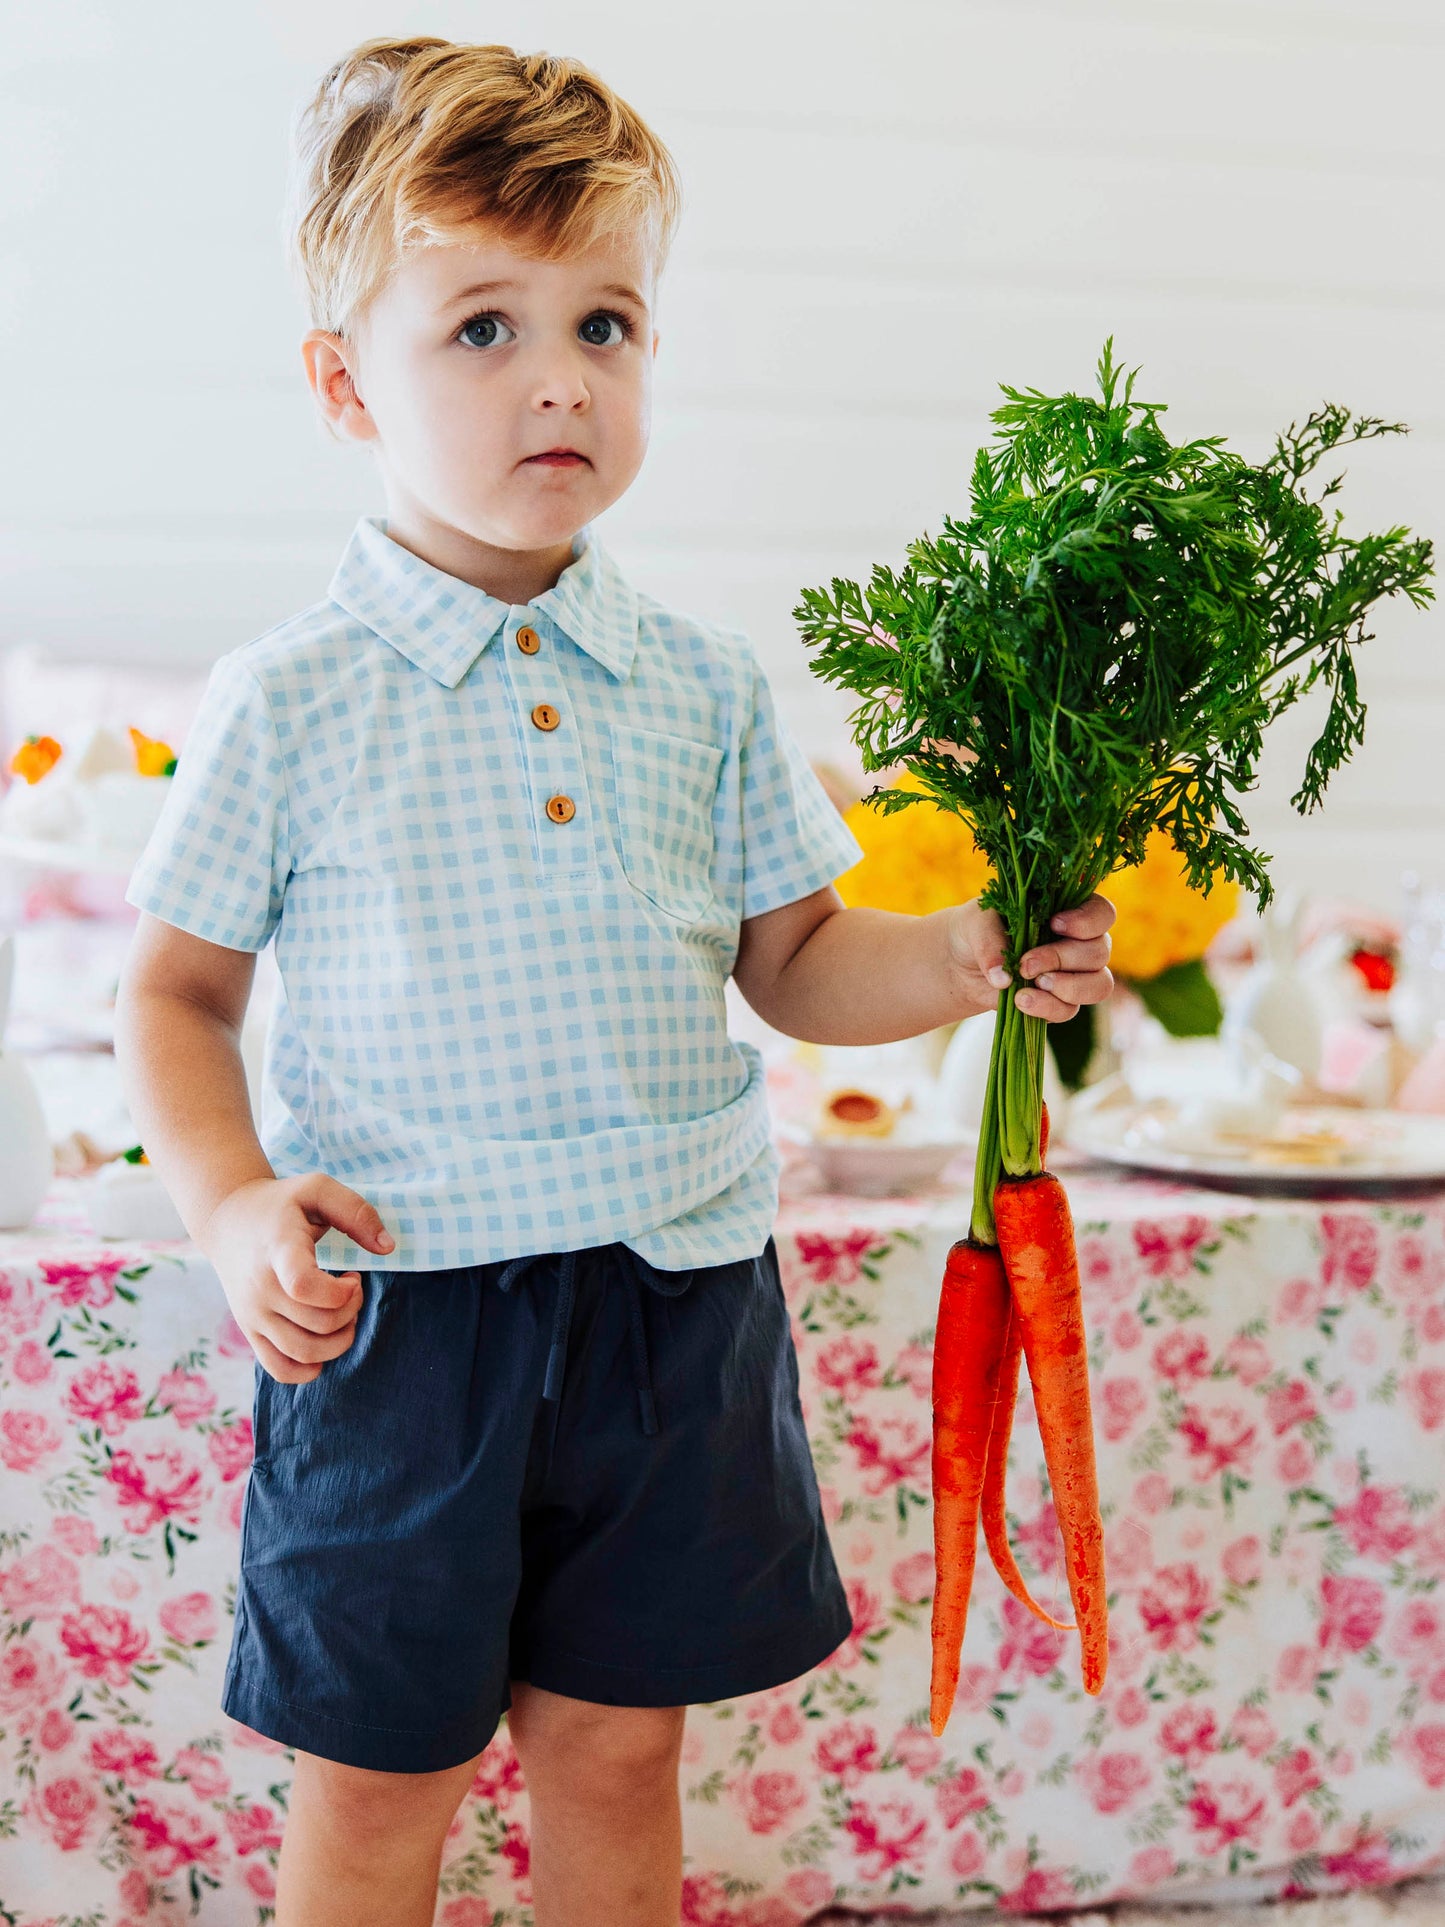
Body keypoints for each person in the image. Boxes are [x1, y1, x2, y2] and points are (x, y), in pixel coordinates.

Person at [112, 35, 1116, 1927]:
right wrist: (233, 1201)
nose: (559, 374)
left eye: (607, 322)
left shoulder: (703, 682)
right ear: (347, 384)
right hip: (407, 1318)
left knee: (617, 1745)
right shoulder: (292, 698)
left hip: (672, 1301)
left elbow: (800, 963)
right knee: (383, 1775)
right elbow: (169, 999)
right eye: (480, 328)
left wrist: (974, 957)